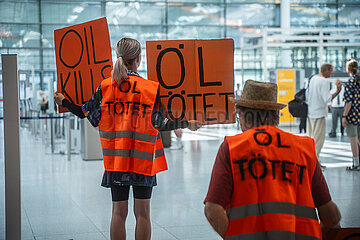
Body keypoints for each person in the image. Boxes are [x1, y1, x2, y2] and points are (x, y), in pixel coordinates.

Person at [54, 37, 202, 240]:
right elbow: (162, 125)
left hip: (116, 161)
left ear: (119, 57)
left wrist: (64, 101)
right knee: (143, 215)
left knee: (118, 213)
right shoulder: (150, 88)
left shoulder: (106, 87)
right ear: (139, 59)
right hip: (143, 161)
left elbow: (84, 113)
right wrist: (188, 123)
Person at [204, 80, 341, 239]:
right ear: (276, 116)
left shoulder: (232, 148)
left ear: (242, 115)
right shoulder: (304, 148)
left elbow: (212, 210)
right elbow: (331, 216)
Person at [307, 63, 342, 169]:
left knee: (312, 139)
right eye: (331, 71)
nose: (332, 73)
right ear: (326, 70)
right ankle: (315, 166)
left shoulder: (313, 78)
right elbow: (327, 99)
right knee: (318, 141)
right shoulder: (324, 81)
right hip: (319, 114)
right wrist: (338, 90)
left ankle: (314, 163)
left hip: (310, 112)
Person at [342, 59, 360, 171]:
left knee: (353, 139)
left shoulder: (350, 82)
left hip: (353, 115)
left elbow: (348, 102)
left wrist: (344, 116)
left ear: (348, 69)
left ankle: (356, 163)